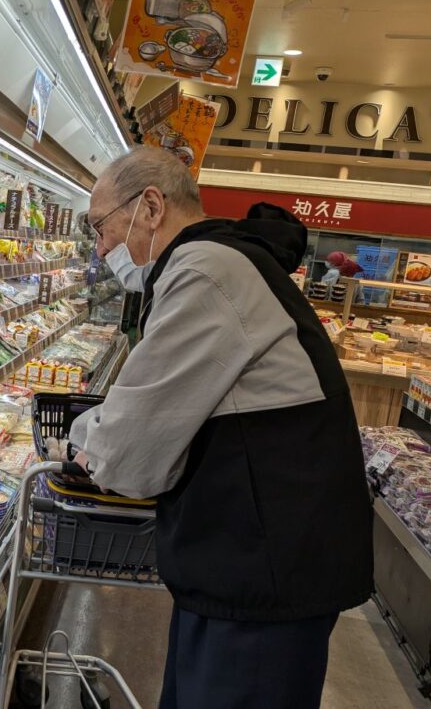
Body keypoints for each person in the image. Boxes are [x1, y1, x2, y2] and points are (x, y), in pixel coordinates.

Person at [69, 147, 373, 709]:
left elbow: (133, 448)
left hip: (265, 566)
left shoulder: (205, 271)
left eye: (100, 228)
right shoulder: (224, 260)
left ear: (151, 207)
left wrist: (82, 443)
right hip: (256, 553)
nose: (102, 248)